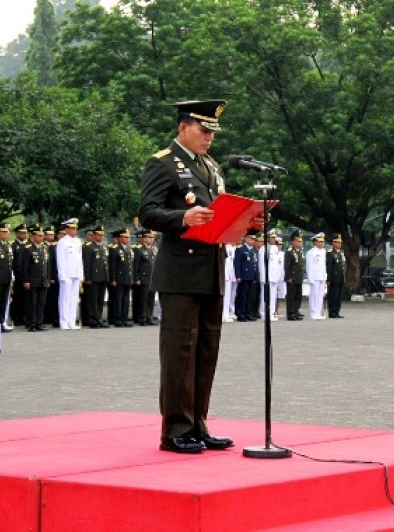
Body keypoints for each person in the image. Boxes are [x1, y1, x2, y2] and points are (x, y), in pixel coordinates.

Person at [139, 99, 235, 454]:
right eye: (203, 130)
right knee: (180, 351)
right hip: (180, 271)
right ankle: (175, 428)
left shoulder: (210, 166)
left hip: (211, 268)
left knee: (206, 350)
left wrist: (245, 221)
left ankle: (198, 423)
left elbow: (219, 213)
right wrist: (182, 218)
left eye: (212, 132)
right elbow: (147, 213)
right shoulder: (162, 163)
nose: (209, 137)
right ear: (183, 127)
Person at [21, 224, 50, 331]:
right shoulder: (28, 249)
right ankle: (31, 323)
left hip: (43, 280)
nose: (41, 238)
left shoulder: (44, 248)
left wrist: (48, 278)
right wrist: (26, 281)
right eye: (38, 236)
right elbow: (24, 267)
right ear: (33, 236)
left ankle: (39, 322)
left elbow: (47, 266)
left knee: (41, 303)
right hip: (32, 280)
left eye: (42, 236)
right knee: (32, 303)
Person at [56, 217, 83, 329]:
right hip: (67, 274)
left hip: (76, 273)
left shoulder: (78, 242)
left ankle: (72, 322)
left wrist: (81, 275)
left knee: (74, 299)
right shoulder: (62, 242)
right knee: (65, 299)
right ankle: (64, 322)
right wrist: (62, 275)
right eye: (72, 229)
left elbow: (80, 259)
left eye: (75, 229)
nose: (74, 231)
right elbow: (60, 260)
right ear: (67, 230)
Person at [82, 225, 110, 328]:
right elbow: (87, 264)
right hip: (93, 278)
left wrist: (108, 277)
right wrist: (88, 278)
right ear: (93, 235)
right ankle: (93, 319)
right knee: (92, 299)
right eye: (99, 235)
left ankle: (98, 317)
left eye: (102, 235)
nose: (101, 237)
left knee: (100, 299)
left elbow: (106, 263)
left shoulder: (104, 247)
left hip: (103, 277)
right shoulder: (88, 247)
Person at [109, 228, 134, 327]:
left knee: (126, 300)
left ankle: (124, 318)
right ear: (119, 238)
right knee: (118, 300)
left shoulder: (129, 249)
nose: (127, 239)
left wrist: (132, 278)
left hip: (127, 278)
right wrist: (113, 279)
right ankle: (117, 318)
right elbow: (113, 266)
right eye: (125, 237)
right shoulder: (115, 249)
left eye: (128, 237)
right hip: (119, 278)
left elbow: (130, 265)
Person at [132, 229, 157, 325]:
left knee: (151, 299)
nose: (151, 239)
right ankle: (143, 318)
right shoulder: (139, 250)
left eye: (152, 238)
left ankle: (149, 317)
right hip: (143, 278)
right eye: (149, 237)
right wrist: (137, 278)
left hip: (152, 278)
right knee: (143, 299)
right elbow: (136, 265)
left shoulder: (153, 249)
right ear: (145, 238)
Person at [234, 232, 258, 322]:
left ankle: (247, 313)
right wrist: (238, 275)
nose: (253, 241)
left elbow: (254, 265)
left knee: (249, 296)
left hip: (250, 276)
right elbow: (237, 264)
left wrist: (255, 276)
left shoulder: (252, 250)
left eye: (254, 239)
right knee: (242, 295)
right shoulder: (240, 249)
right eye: (251, 239)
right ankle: (240, 313)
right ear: (246, 239)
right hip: (243, 276)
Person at [10, 223, 30, 327]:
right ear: (17, 233)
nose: (24, 235)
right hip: (17, 276)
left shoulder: (27, 246)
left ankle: (24, 317)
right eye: (22, 233)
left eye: (26, 233)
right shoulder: (13, 246)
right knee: (17, 298)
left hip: (26, 276)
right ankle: (16, 318)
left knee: (26, 299)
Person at [306, 232, 327, 319]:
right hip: (314, 277)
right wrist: (310, 279)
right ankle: (313, 313)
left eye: (322, 242)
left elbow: (324, 266)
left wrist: (325, 277)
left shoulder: (324, 251)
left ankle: (318, 312)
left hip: (321, 277)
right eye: (319, 241)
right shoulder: (311, 252)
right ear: (315, 242)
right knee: (314, 296)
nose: (321, 243)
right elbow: (309, 267)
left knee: (320, 296)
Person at [284, 230, 304, 321]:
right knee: (291, 296)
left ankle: (296, 311)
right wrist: (288, 277)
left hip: (299, 277)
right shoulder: (289, 252)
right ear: (293, 241)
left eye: (301, 241)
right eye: (298, 241)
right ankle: (290, 313)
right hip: (292, 278)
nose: (300, 243)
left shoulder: (299, 252)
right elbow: (286, 266)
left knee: (298, 296)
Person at [326, 233, 347, 318]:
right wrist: (328, 279)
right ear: (333, 243)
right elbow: (329, 267)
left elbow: (343, 265)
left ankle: (337, 311)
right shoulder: (330, 253)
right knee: (333, 296)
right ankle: (332, 312)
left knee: (339, 296)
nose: (339, 244)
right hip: (334, 278)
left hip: (341, 277)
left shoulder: (341, 252)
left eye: (340, 243)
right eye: (337, 242)